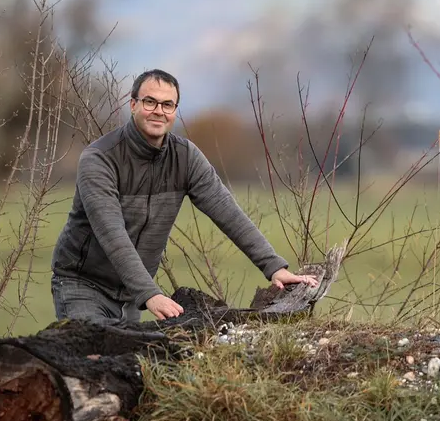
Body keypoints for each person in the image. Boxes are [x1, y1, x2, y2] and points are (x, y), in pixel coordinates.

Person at [50, 69, 317, 325]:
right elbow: (111, 232)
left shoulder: (185, 157)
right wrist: (150, 294)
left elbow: (227, 211)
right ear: (133, 105)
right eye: (150, 102)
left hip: (131, 294)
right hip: (83, 284)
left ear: (176, 111)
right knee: (93, 356)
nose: (159, 111)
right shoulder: (99, 159)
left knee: (123, 362)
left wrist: (273, 267)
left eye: (168, 105)